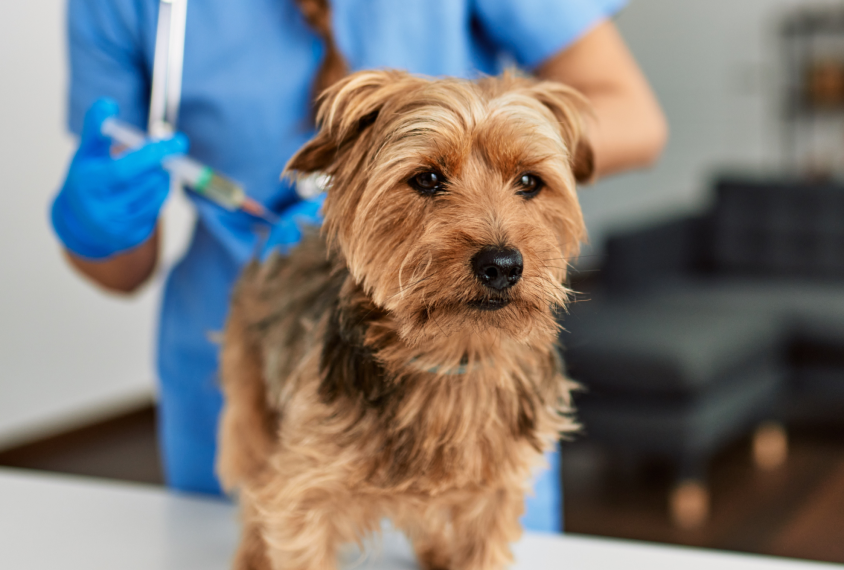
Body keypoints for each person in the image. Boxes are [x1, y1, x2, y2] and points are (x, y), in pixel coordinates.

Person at [50, 0, 666, 534]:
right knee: (262, 537)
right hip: (237, 328)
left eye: (526, 184)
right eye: (429, 181)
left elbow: (636, 117)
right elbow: (124, 270)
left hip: (478, 357)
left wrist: (493, 144)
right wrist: (97, 225)